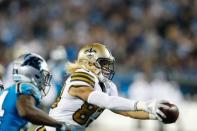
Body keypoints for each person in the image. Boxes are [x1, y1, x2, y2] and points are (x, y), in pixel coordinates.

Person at [44, 43, 170, 131]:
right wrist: (145, 104)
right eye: (103, 63)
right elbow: (106, 101)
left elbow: (126, 111)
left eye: (108, 64)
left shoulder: (108, 86)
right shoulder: (80, 77)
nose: (107, 68)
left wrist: (154, 115)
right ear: (89, 63)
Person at [0, 53, 68, 131]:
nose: (44, 79)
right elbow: (26, 111)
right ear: (34, 73)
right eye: (42, 74)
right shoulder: (26, 87)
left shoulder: (5, 92)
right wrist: (60, 124)